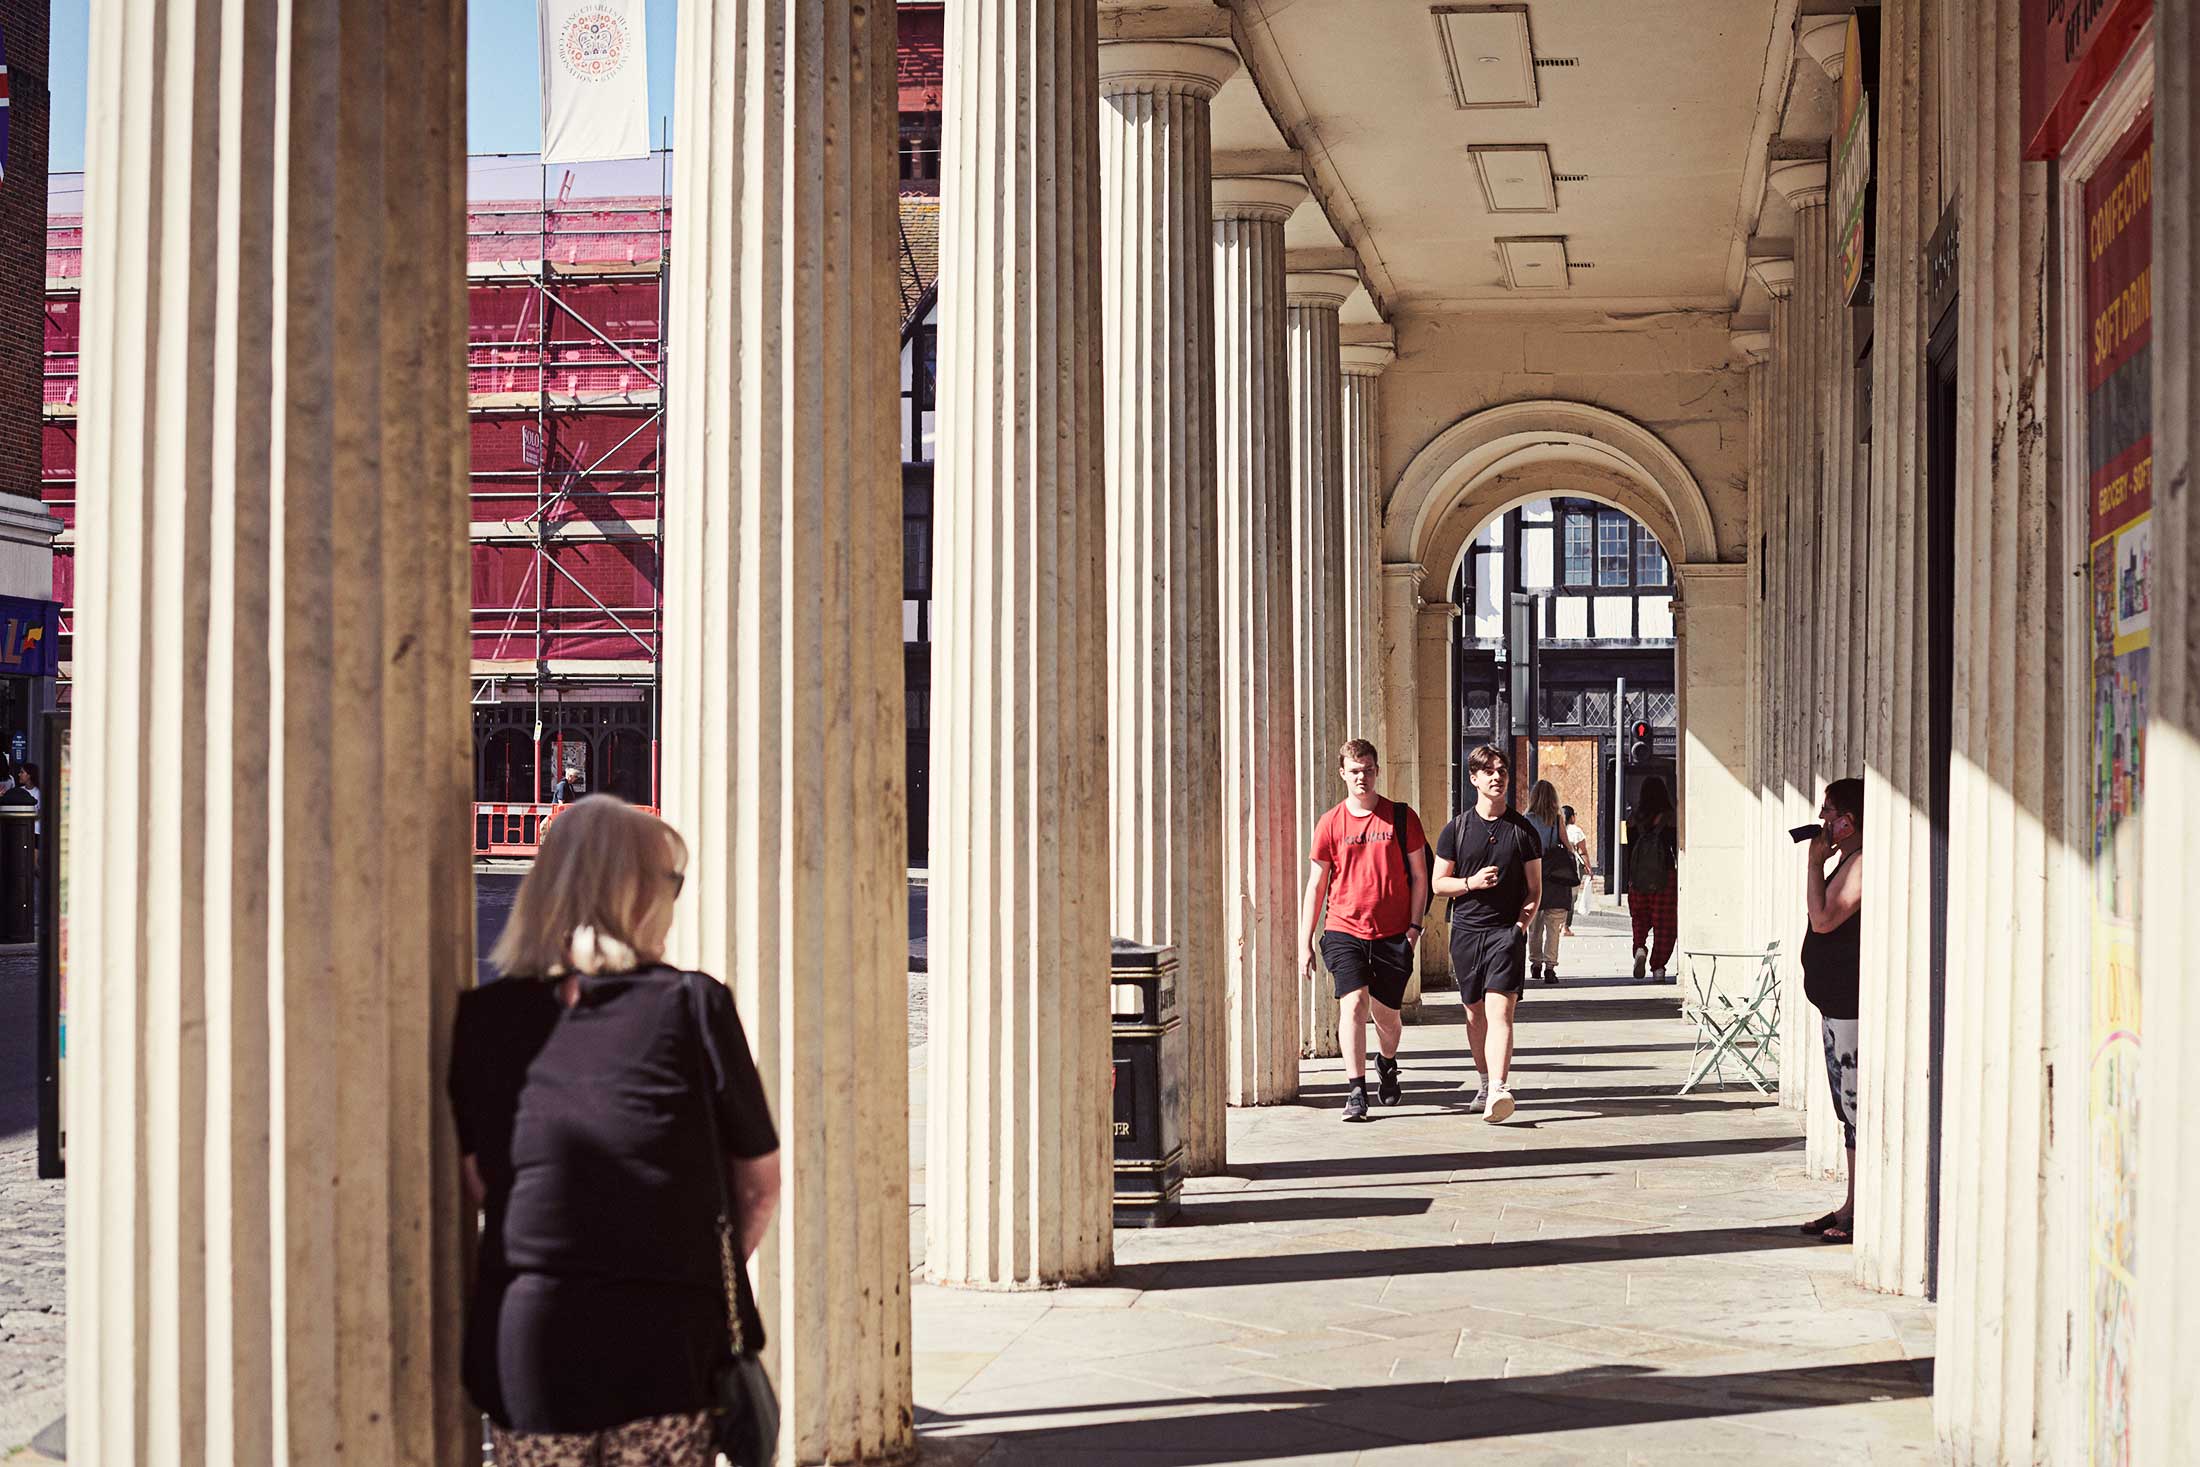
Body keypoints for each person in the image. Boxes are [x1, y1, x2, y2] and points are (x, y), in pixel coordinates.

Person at [448, 795, 782, 1465]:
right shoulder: (693, 1004)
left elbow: (485, 1181)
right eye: (672, 882)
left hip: (530, 1342)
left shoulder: (487, 1018)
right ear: (634, 893)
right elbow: (759, 1188)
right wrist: (669, 1260)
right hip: (665, 1343)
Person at [1298, 738, 1429, 1123]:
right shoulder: (1330, 823)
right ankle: (1356, 1090)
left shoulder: (1400, 818)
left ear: (1377, 772)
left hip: (1392, 934)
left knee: (1387, 1018)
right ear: (1343, 773)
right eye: (1355, 770)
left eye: (1369, 769)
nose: (1362, 777)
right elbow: (1316, 885)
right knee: (1352, 1004)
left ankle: (1386, 1062)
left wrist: (1414, 929)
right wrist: (1305, 940)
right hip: (1343, 929)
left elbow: (1420, 877)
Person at [1430, 744, 1542, 1122]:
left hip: (1504, 934)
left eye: (1503, 771)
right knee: (1474, 1013)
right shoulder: (1456, 829)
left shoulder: (1523, 830)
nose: (1497, 777)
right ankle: (1483, 1080)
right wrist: (1471, 883)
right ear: (1474, 779)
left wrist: (1519, 928)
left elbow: (1534, 889)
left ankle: (1499, 1088)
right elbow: (1437, 885)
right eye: (1489, 771)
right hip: (1465, 932)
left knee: (1501, 1011)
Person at [1800, 777, 1865, 1244]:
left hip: (1850, 1007)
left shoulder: (1861, 863)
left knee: (1857, 1107)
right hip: (1835, 1006)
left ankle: (1859, 1208)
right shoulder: (1846, 861)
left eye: (1829, 812)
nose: (1822, 820)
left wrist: (1813, 862)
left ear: (1849, 821)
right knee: (1846, 1109)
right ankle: (1851, 1203)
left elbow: (1823, 920)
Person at [1624, 776, 1680, 981]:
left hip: (1638, 879)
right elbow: (1677, 850)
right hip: (1665, 877)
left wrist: (1628, 880)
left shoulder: (1632, 821)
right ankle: (1658, 968)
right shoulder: (1671, 819)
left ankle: (1640, 948)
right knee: (1664, 924)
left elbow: (1628, 852)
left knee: (1639, 918)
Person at [1522, 780, 1572, 984]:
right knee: (1553, 924)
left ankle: (1535, 963)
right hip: (1554, 878)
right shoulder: (1556, 818)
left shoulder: (1526, 819)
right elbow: (1567, 846)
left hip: (1532, 874)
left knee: (1534, 924)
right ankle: (1550, 967)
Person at [1560, 804, 1592, 936]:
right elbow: (1582, 851)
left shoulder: (1554, 828)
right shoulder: (1576, 831)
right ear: (1572, 817)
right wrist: (1589, 868)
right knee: (1571, 898)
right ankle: (1565, 927)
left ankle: (1558, 925)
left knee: (1559, 897)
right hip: (1572, 870)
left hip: (1555, 869)